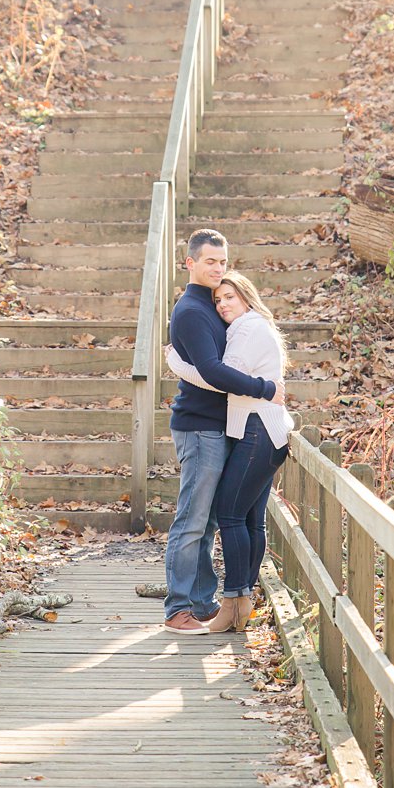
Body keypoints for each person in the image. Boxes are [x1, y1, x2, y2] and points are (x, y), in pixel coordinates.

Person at [163, 230, 284, 635]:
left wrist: (179, 367)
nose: (217, 268)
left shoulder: (215, 306)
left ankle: (203, 602)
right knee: (193, 520)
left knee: (211, 521)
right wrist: (267, 390)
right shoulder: (192, 311)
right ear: (190, 263)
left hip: (224, 426)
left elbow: (227, 365)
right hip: (200, 427)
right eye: (209, 261)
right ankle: (178, 607)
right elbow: (214, 373)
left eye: (222, 261)